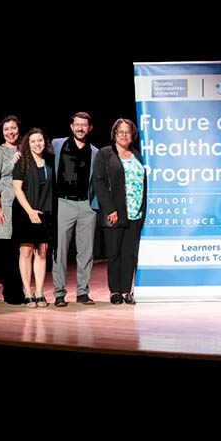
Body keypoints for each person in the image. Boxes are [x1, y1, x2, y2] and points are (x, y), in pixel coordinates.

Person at [92, 118, 147, 305]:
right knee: (114, 253)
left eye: (128, 132)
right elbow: (98, 182)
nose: (124, 135)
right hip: (115, 213)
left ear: (132, 135)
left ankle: (126, 291)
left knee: (129, 254)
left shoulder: (137, 155)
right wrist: (110, 209)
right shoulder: (105, 154)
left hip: (135, 213)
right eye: (120, 132)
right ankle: (114, 291)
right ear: (114, 134)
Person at [51, 112, 99, 307]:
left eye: (84, 125)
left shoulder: (96, 152)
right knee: (60, 251)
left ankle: (82, 292)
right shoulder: (57, 144)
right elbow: (34, 148)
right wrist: (19, 153)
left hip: (87, 205)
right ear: (71, 126)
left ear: (90, 128)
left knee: (86, 252)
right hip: (64, 203)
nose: (80, 128)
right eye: (77, 124)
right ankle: (59, 293)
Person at [12, 128, 55, 308]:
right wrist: (30, 211)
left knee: (42, 252)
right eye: (33, 141)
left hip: (44, 212)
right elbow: (17, 189)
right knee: (26, 251)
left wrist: (39, 213)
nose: (37, 144)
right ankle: (28, 293)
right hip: (24, 211)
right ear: (27, 144)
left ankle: (39, 292)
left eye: (40, 140)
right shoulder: (21, 162)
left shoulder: (50, 161)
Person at [0, 116, 25, 305]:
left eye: (13, 128)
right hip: (4, 207)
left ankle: (21, 290)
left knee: (22, 252)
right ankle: (11, 292)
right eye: (6, 129)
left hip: (23, 207)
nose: (10, 132)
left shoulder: (25, 148)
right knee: (6, 253)